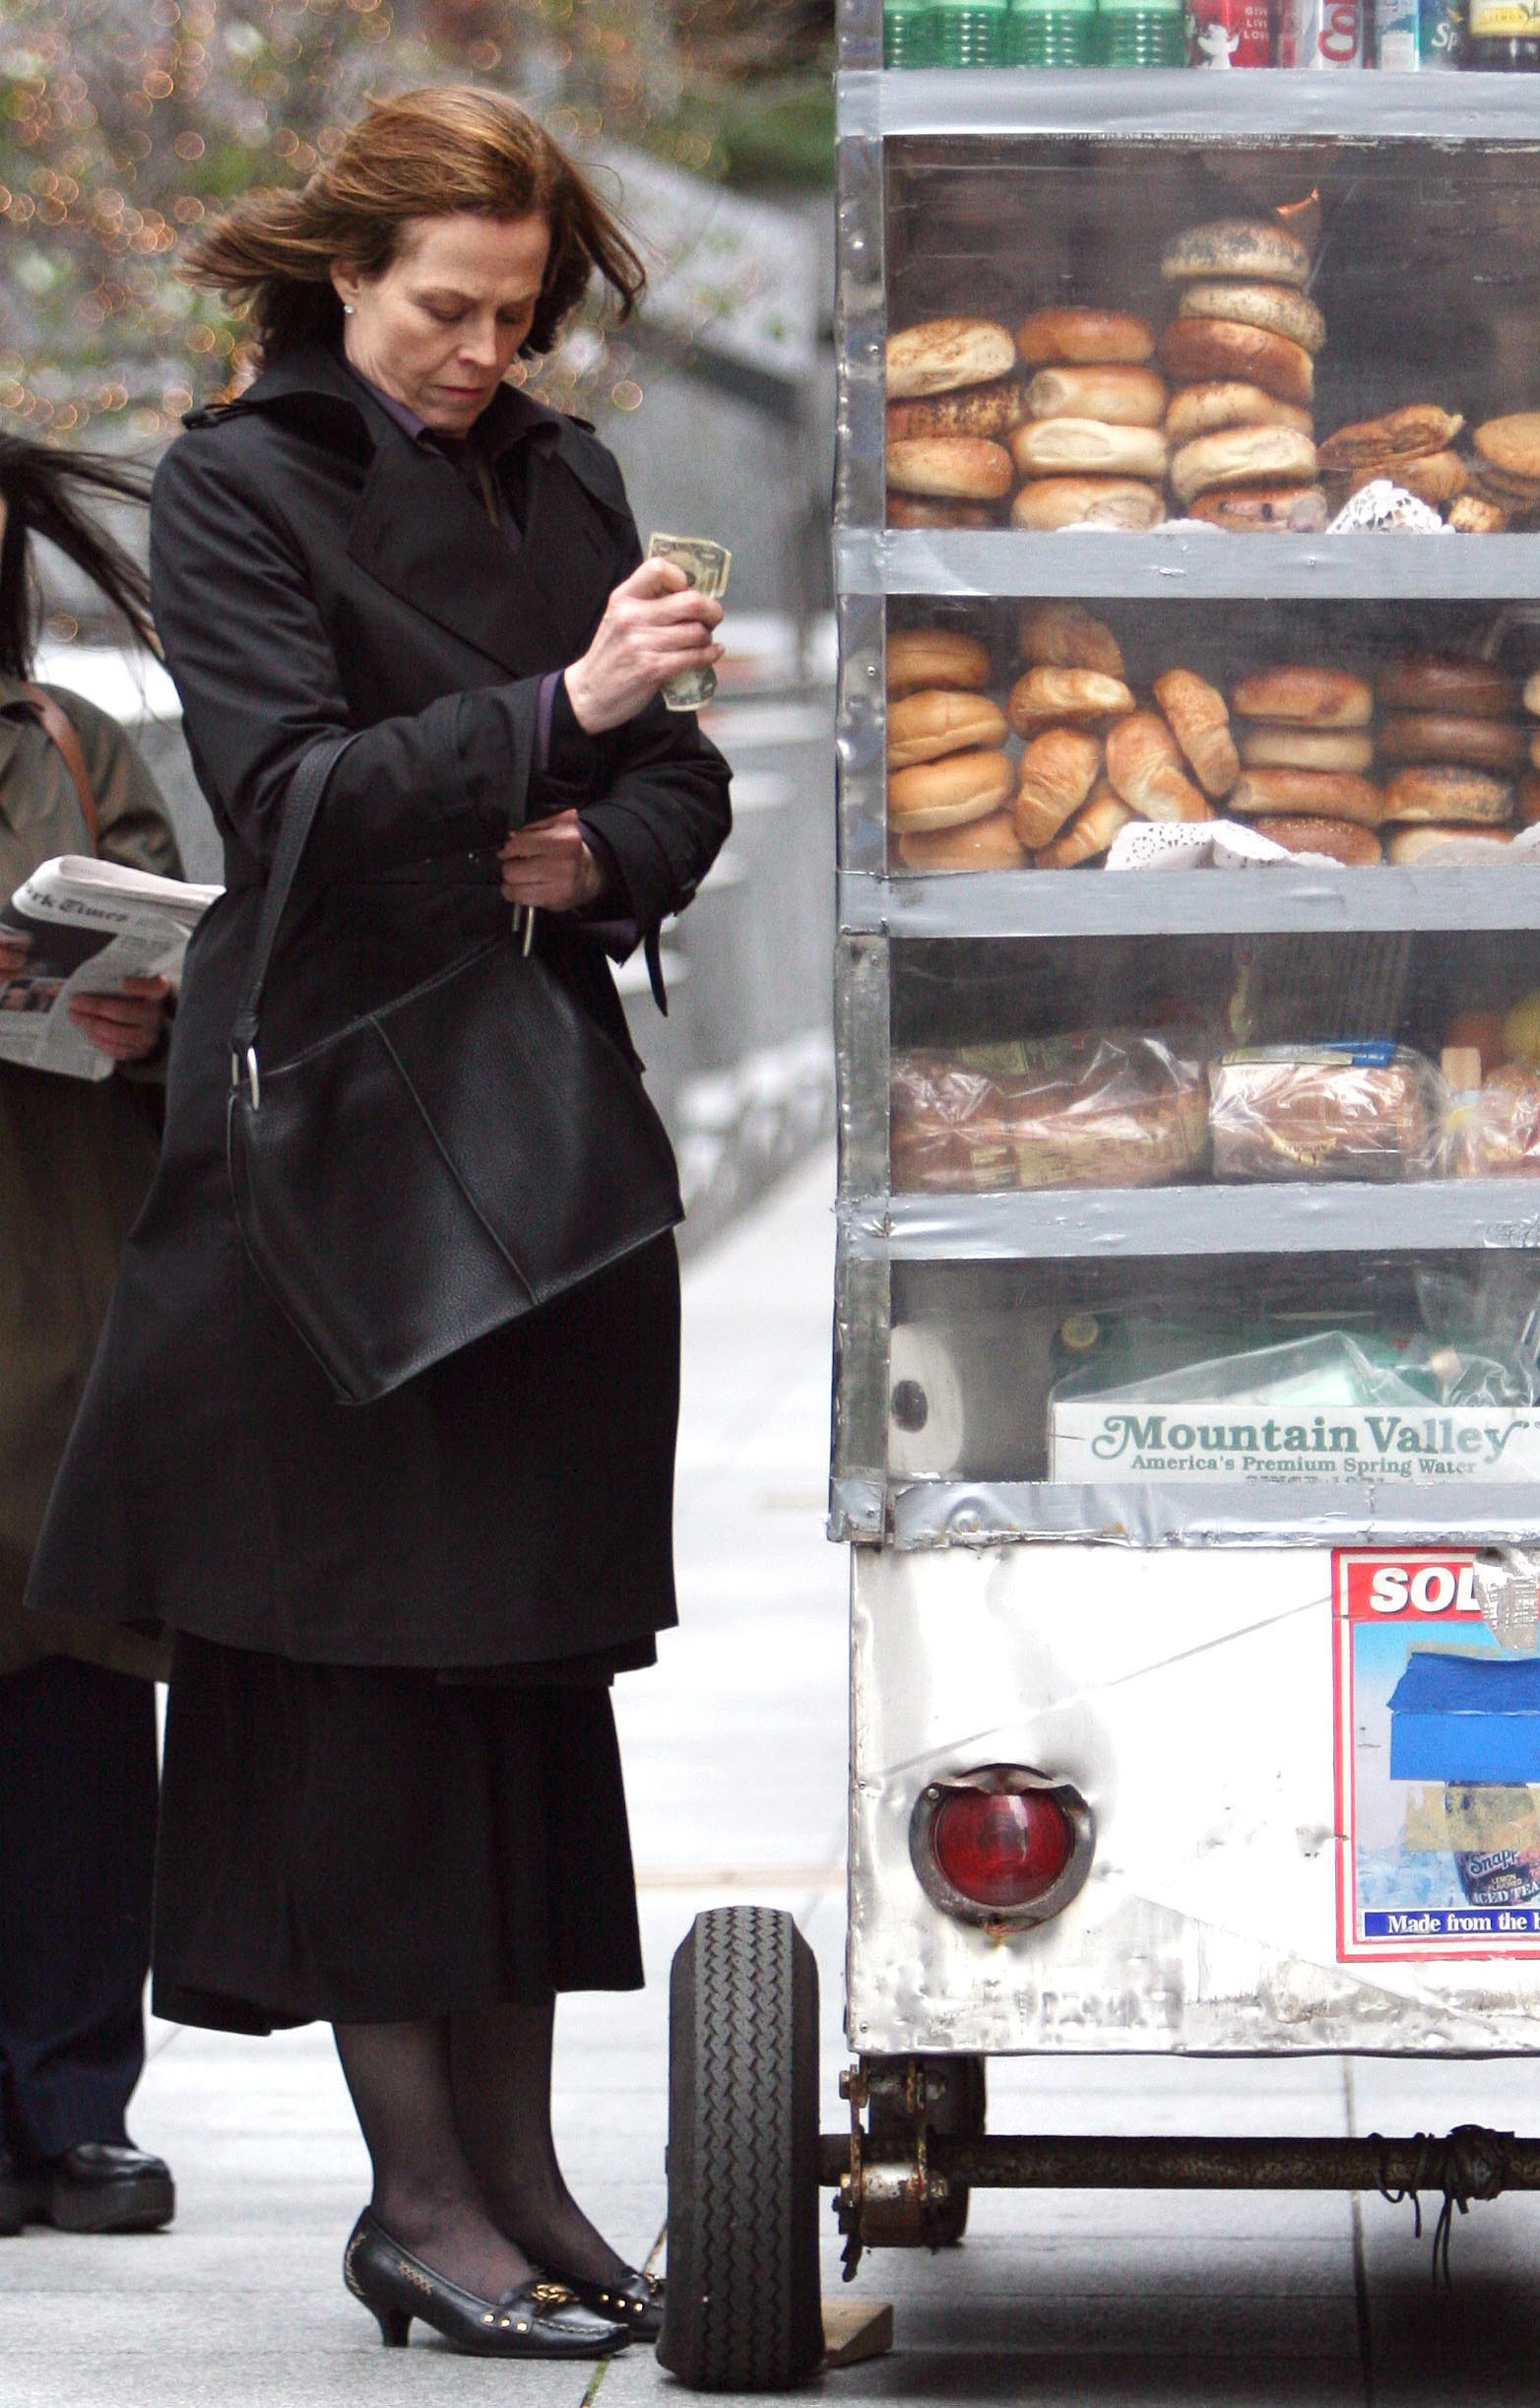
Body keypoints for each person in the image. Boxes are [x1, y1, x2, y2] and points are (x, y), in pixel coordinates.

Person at [26, 86, 732, 2361]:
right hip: (331, 1156)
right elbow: (293, 796)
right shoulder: (244, 483)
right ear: (344, 275)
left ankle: (524, 2188)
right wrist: (556, 711)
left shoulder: (569, 469)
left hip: (541, 1139)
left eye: (519, 313)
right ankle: (420, 2199)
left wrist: (602, 834)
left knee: (517, 1683)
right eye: (447, 307)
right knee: (369, 1688)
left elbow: (683, 780)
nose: (480, 350)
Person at [0, 434, 180, 2239]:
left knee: (67, 1713)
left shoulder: (72, 745)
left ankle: (75, 2103)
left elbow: (178, 938)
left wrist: (141, 1005)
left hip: (55, 1285)